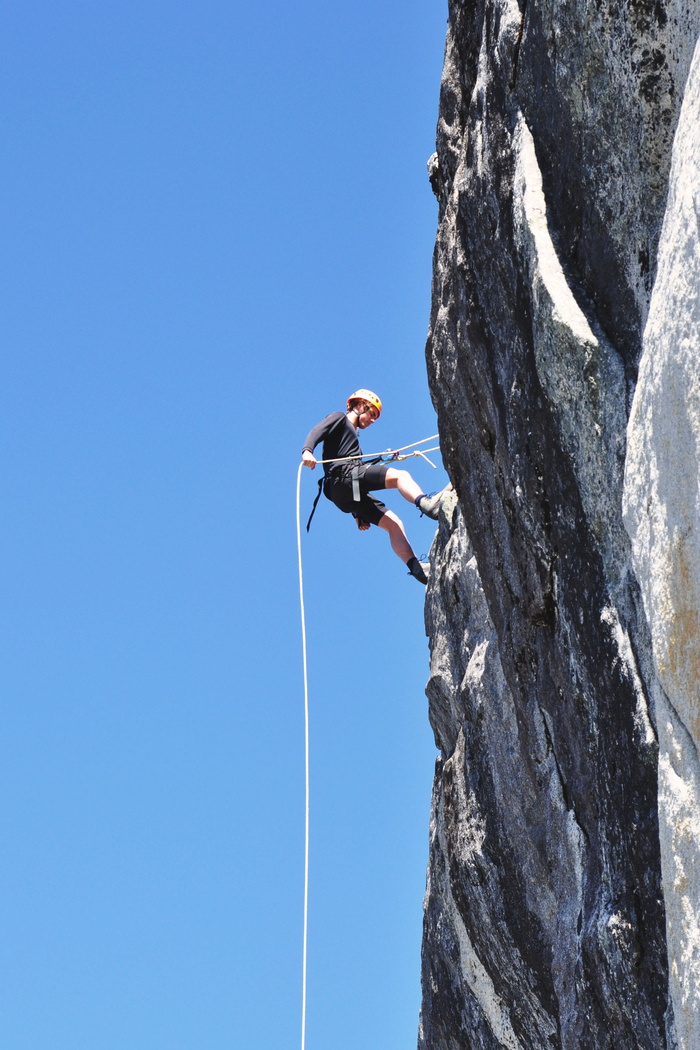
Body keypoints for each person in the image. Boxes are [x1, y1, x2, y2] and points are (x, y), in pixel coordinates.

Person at [301, 389, 445, 584]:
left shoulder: (352, 443)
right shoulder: (339, 419)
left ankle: (417, 569)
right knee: (401, 476)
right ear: (360, 406)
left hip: (344, 490)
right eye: (372, 414)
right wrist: (307, 451)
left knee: (394, 524)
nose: (373, 420)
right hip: (345, 476)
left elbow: (356, 469)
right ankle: (427, 504)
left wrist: (357, 512)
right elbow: (317, 431)